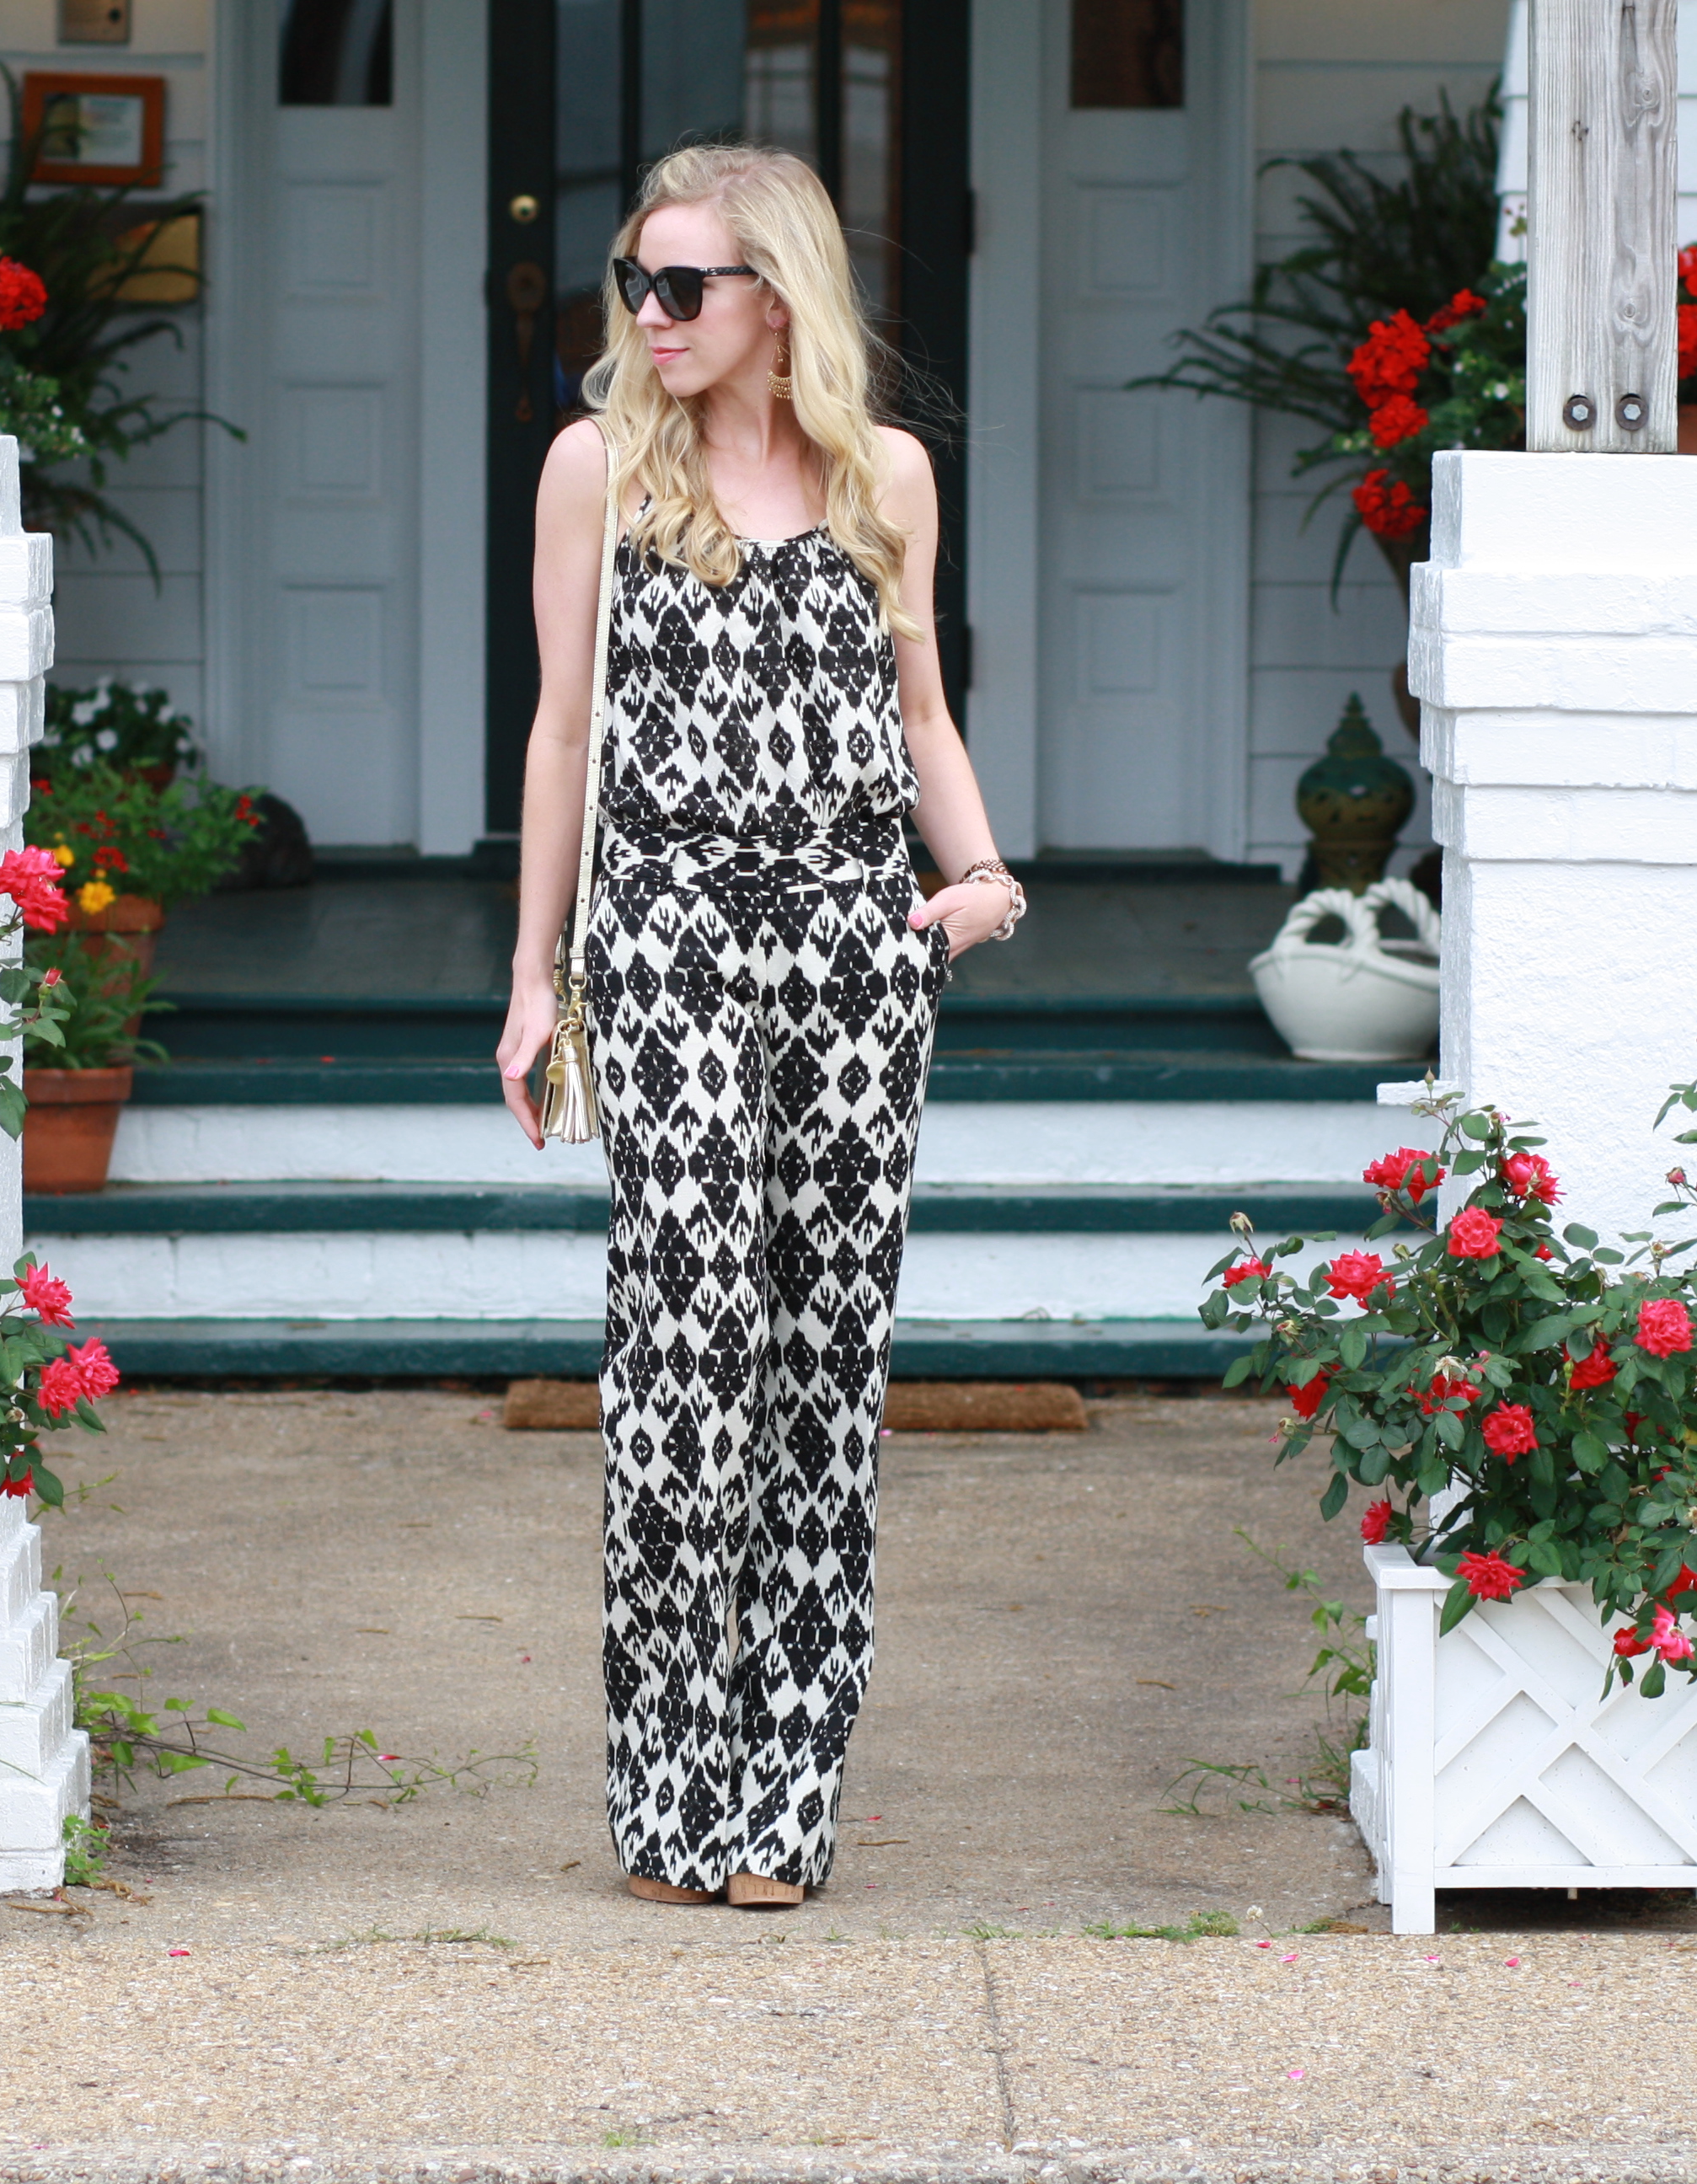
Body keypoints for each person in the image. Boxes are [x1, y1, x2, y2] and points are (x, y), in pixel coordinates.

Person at [492, 144, 1025, 1910]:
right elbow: (563, 732)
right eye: (633, 285)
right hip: (667, 941)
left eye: (682, 288)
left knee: (827, 1366)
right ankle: (671, 1783)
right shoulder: (599, 471)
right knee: (690, 1342)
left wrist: (982, 874)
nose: (645, 317)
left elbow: (924, 703)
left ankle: (785, 1802)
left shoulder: (888, 475)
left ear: (776, 298)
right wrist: (535, 974)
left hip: (862, 955)